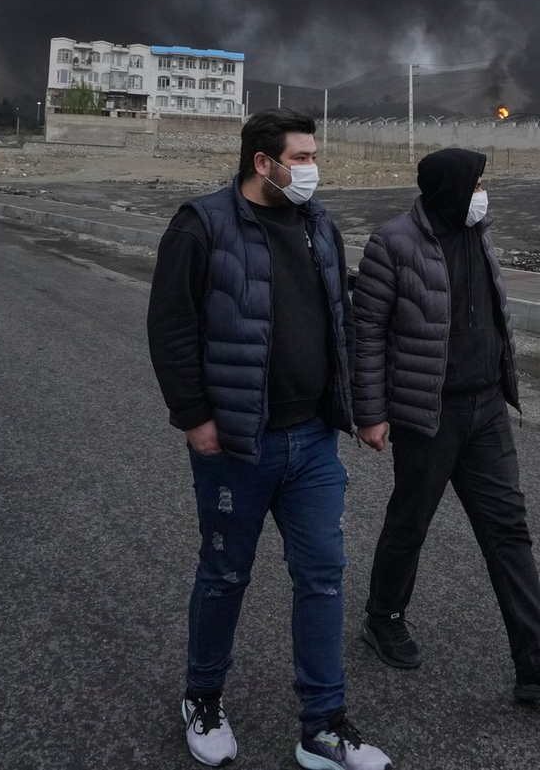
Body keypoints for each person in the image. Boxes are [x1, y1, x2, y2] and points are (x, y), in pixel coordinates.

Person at [147, 109, 391, 770]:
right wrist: (194, 416)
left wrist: (362, 409)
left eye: (314, 155)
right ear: (264, 161)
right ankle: (202, 697)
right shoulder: (202, 224)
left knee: (322, 576)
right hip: (236, 443)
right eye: (303, 156)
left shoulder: (319, 226)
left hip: (312, 440)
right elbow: (170, 327)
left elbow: (339, 323)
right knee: (225, 574)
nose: (313, 167)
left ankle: (323, 725)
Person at [352, 147, 540, 702]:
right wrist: (370, 412)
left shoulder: (478, 230)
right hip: (428, 412)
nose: (485, 191)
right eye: (479, 181)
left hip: (486, 408)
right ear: (451, 188)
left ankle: (535, 660)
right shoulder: (392, 242)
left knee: (508, 528)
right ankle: (382, 616)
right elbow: (365, 334)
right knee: (410, 520)